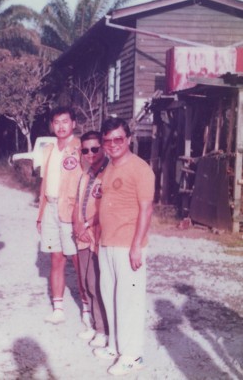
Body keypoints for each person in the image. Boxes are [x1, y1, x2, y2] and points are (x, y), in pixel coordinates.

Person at [94, 117, 154, 376]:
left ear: (128, 138)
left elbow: (146, 209)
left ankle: (132, 355)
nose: (113, 144)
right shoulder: (108, 167)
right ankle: (116, 346)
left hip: (128, 245)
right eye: (107, 140)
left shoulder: (140, 169)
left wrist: (137, 246)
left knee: (129, 301)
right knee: (110, 297)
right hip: (107, 243)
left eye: (118, 138)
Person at [35, 107, 86, 325]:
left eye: (65, 121)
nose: (61, 126)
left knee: (78, 260)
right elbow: (44, 182)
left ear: (73, 123)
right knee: (56, 258)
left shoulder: (81, 147)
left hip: (71, 209)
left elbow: (87, 180)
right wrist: (40, 213)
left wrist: (81, 215)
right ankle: (58, 308)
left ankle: (87, 308)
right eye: (56, 122)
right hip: (50, 207)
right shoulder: (48, 149)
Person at [71, 131, 109, 348]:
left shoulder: (108, 174)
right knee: (85, 282)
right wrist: (78, 226)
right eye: (85, 150)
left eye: (95, 148)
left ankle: (104, 330)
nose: (90, 154)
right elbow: (77, 204)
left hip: (98, 236)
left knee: (96, 283)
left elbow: (107, 208)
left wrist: (86, 225)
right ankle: (94, 325)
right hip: (83, 236)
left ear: (102, 147)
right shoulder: (85, 175)